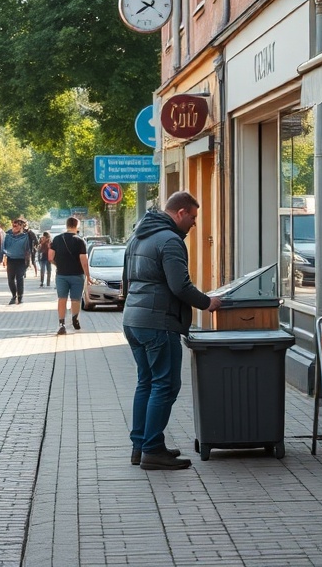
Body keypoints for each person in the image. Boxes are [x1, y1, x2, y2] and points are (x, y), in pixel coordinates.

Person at [122, 191, 221, 471]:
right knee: (165, 385)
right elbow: (180, 286)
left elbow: (126, 281)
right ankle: (153, 450)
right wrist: (207, 303)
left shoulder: (138, 235)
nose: (193, 224)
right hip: (158, 322)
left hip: (134, 320)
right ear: (180, 213)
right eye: (192, 217)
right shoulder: (170, 241)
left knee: (147, 383)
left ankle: (140, 446)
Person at [49, 218, 89, 335]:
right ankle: (75, 319)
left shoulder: (57, 239)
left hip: (61, 275)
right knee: (75, 299)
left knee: (62, 299)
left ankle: (61, 324)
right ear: (77, 226)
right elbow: (84, 261)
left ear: (66, 225)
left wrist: (59, 264)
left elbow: (50, 257)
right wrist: (88, 276)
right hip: (77, 275)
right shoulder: (80, 241)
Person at [2, 218, 31, 304]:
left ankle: (20, 297)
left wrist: (28, 261)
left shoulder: (26, 236)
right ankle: (14, 295)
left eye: (18, 224)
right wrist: (2, 256)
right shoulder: (8, 235)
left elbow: (30, 248)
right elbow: (3, 246)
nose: (15, 226)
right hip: (11, 259)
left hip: (21, 260)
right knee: (10, 279)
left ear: (22, 226)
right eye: (14, 225)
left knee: (20, 278)